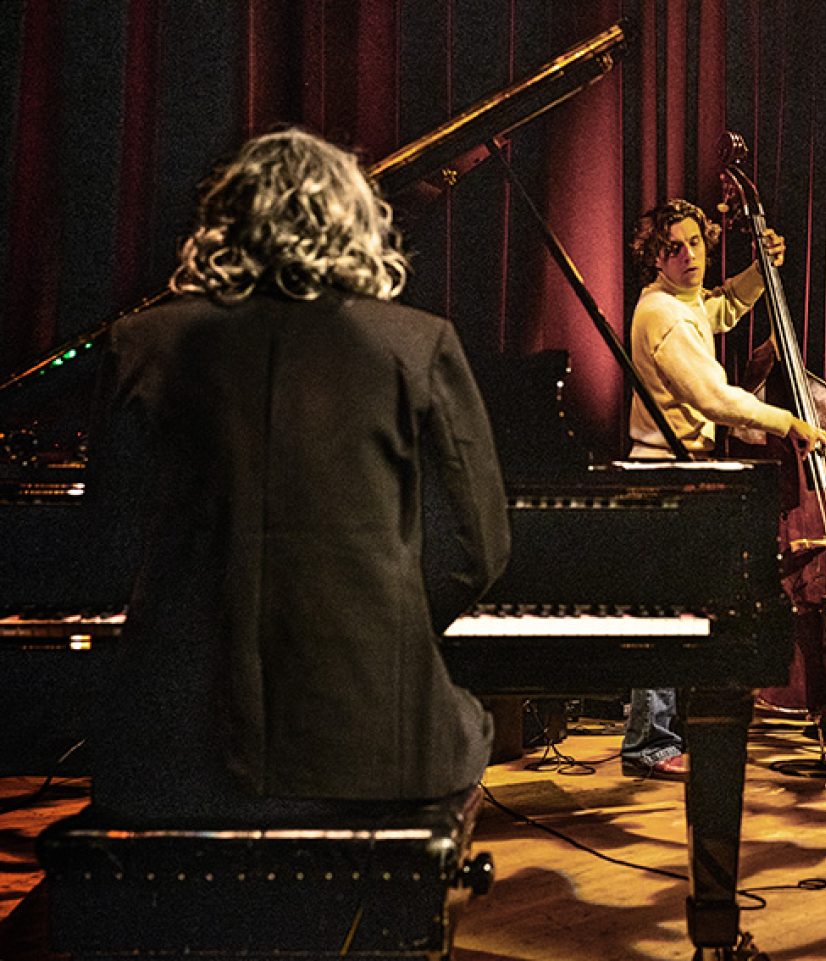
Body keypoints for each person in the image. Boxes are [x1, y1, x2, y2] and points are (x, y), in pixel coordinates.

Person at [89, 128, 511, 824]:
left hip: (172, 747)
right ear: (356, 223)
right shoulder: (416, 342)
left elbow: (108, 547)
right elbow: (479, 552)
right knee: (463, 725)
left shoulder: (140, 343)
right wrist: (379, 616)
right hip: (385, 742)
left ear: (223, 225)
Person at [620, 198, 826, 780]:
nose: (688, 256)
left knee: (681, 610)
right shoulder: (662, 314)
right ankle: (648, 744)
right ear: (653, 258)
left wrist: (758, 274)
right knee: (667, 614)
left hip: (681, 471)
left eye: (696, 243)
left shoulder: (680, 303)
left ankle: (664, 735)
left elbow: (721, 308)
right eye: (673, 248)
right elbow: (712, 397)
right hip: (666, 472)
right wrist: (786, 421)